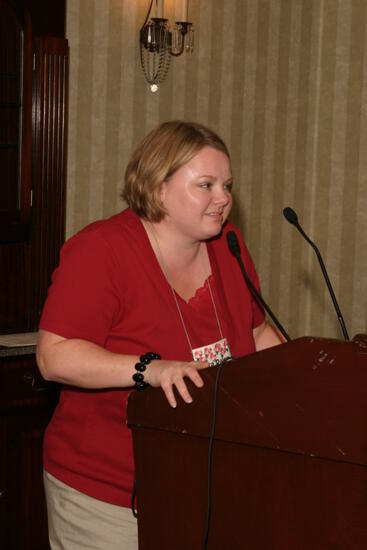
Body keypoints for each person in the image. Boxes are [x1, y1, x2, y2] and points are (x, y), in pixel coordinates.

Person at [36, 120, 283, 550]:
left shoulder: (230, 247)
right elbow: (54, 356)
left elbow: (258, 334)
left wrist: (307, 381)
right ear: (157, 186)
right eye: (205, 185)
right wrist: (149, 369)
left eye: (227, 185)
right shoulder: (102, 250)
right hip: (108, 492)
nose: (223, 198)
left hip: (206, 483)